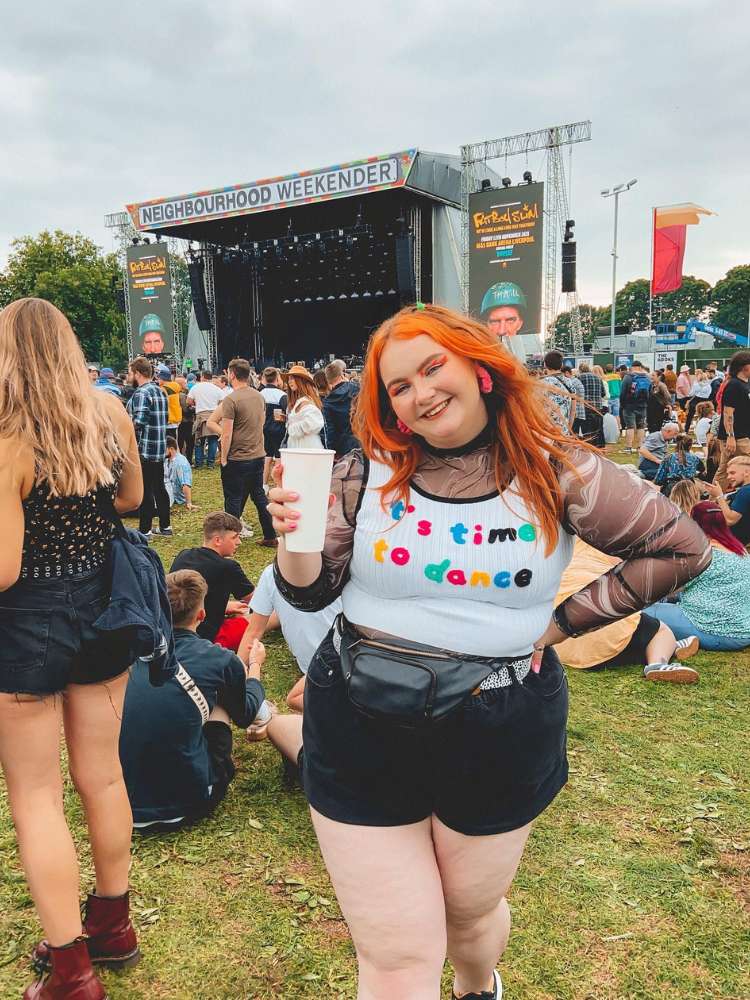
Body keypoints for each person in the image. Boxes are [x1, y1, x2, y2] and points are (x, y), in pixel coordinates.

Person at [265, 303, 710, 1000]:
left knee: (467, 915)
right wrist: (292, 538)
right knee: (396, 955)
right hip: (357, 710)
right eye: (398, 387)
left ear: (480, 366)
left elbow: (682, 547)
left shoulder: (559, 470)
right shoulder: (364, 472)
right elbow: (311, 593)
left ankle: (478, 985)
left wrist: (564, 622)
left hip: (496, 722)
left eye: (432, 367)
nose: (419, 394)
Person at [0, 297, 144, 999]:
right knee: (104, 774)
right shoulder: (111, 413)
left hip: (26, 622)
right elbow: (130, 500)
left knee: (35, 795)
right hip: (103, 606)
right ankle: (113, 926)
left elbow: (2, 566)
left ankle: (71, 971)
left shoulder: (7, 439)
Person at [119, 570, 266, 832]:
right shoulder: (218, 659)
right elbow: (244, 715)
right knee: (223, 699)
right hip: (188, 804)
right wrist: (254, 669)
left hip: (122, 804)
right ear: (201, 615)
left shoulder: (131, 650)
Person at [553, 539, 699, 683]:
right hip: (607, 632)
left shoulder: (567, 545)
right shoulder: (617, 542)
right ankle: (658, 664)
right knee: (661, 631)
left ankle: (672, 646)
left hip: (560, 641)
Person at [645, 502, 750, 651]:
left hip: (711, 630)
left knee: (639, 612)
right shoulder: (740, 550)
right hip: (743, 633)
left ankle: (671, 643)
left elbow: (669, 587)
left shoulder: (701, 555)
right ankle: (679, 643)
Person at [243, 564, 342, 712]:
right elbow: (253, 632)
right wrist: (235, 674)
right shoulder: (272, 574)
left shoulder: (343, 569)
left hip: (342, 666)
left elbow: (253, 632)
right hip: (328, 666)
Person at [171, 511, 255, 648]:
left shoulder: (183, 555)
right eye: (235, 537)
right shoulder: (227, 567)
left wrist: (224, 606)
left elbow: (184, 597)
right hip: (208, 639)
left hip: (175, 630)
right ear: (218, 540)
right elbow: (256, 601)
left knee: (238, 609)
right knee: (262, 618)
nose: (239, 542)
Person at [219, 357, 277, 548]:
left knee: (233, 499)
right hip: (257, 454)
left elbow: (226, 434)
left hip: (237, 457)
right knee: (259, 496)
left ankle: (230, 539)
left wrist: (223, 458)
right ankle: (270, 535)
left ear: (232, 374)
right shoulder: (259, 396)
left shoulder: (230, 400)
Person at [127, 356, 172, 538]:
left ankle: (145, 529)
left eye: (131, 372)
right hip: (159, 447)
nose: (129, 376)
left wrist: (126, 426)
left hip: (144, 448)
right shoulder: (160, 391)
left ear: (138, 373)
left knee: (145, 489)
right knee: (159, 487)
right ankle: (165, 526)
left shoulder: (141, 393)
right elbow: (165, 418)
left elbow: (139, 421)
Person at [715, 349, 750, 490]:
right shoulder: (734, 385)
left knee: (724, 470)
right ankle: (714, 500)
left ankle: (715, 498)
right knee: (725, 471)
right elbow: (728, 413)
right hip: (736, 437)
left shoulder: (745, 384)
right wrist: (730, 436)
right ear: (745, 367)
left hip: (743, 435)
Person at [704, 455, 750, 549]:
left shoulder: (745, 491)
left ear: (747, 472)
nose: (729, 477)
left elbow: (730, 520)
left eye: (733, 473)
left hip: (733, 544)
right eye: (728, 474)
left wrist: (719, 495)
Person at [323, 358, 360, 457]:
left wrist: (332, 451)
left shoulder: (327, 402)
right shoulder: (356, 388)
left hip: (343, 448)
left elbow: (330, 431)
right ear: (342, 375)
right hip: (363, 440)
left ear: (328, 380)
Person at [187, 371, 225, 469]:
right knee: (213, 440)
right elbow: (223, 402)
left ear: (202, 377)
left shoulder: (196, 387)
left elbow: (188, 401)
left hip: (200, 415)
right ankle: (210, 463)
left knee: (199, 440)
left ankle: (199, 463)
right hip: (214, 416)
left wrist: (196, 403)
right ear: (211, 377)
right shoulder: (216, 389)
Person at [259, 367, 287, 488]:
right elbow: (288, 412)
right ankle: (278, 485)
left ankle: (264, 485)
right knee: (278, 457)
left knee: (267, 456)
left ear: (264, 378)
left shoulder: (259, 394)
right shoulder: (282, 395)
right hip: (279, 430)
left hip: (263, 429)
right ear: (277, 379)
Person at [285, 364, 325, 448]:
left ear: (300, 380)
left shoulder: (306, 402)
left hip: (306, 447)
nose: (289, 381)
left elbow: (315, 423)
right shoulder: (298, 401)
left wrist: (292, 428)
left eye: (292, 378)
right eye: (289, 379)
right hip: (298, 446)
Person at [620, 361, 652, 453]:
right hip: (642, 405)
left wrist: (623, 405)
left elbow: (623, 392)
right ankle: (640, 447)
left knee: (630, 426)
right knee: (640, 426)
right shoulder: (647, 377)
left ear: (632, 367)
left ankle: (628, 447)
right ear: (640, 367)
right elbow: (650, 392)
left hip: (629, 405)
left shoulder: (628, 377)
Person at [542, 350, 575, 431]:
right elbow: (573, 409)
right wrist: (568, 429)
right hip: (564, 431)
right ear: (561, 365)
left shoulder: (541, 383)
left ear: (545, 364)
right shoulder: (570, 382)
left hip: (547, 432)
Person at [576, 363, 606, 448]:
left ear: (580, 370)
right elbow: (603, 393)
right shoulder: (598, 378)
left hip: (585, 407)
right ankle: (600, 446)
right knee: (598, 429)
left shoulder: (579, 377)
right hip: (598, 407)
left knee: (587, 430)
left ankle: (589, 447)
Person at [165, 436, 194, 509]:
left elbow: (185, 484)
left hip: (176, 498)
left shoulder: (181, 463)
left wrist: (189, 503)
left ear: (171, 449)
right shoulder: (167, 460)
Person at [156, 364, 182, 438]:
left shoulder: (164, 389)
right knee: (173, 443)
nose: (157, 380)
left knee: (168, 444)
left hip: (167, 420)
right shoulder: (175, 386)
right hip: (175, 419)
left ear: (163, 379)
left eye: (159, 378)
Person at [176, 375, 195, 463]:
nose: (186, 384)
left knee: (179, 442)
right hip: (186, 421)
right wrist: (195, 408)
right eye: (185, 383)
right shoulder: (182, 395)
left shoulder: (174, 394)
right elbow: (186, 409)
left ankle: (179, 459)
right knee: (189, 442)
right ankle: (189, 460)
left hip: (178, 422)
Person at [563, 365, 586, 436]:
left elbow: (579, 395)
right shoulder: (576, 381)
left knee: (573, 435)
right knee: (575, 434)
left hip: (576, 412)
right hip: (578, 411)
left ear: (567, 373)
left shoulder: (572, 382)